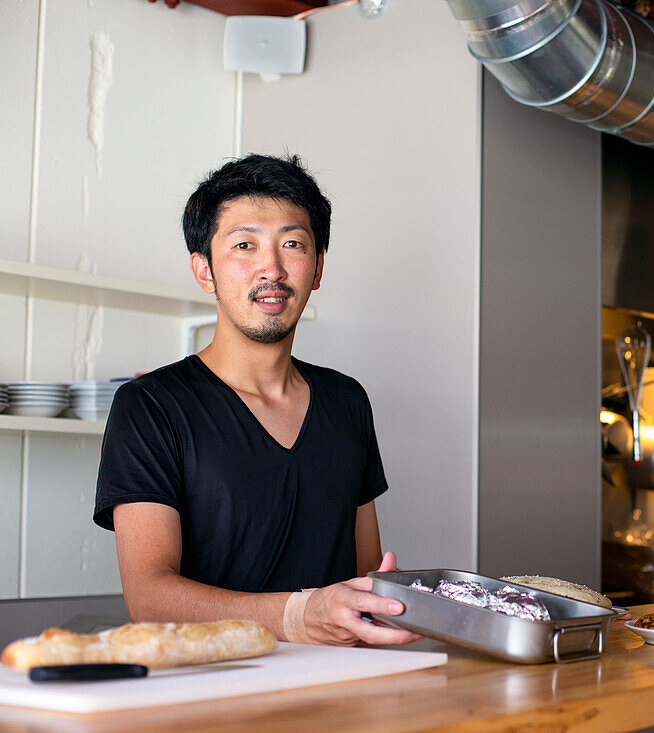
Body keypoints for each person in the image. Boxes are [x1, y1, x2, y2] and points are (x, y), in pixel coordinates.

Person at [93, 154, 418, 647]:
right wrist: (298, 615)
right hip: (212, 697)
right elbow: (149, 596)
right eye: (244, 245)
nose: (272, 267)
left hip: (341, 693)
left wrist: (383, 601)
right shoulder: (150, 406)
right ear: (205, 271)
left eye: (293, 244)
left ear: (318, 268)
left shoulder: (347, 400)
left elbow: (365, 571)